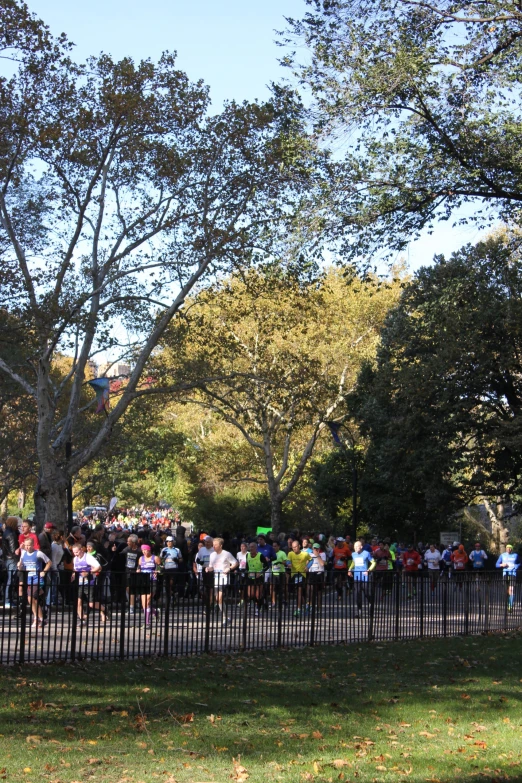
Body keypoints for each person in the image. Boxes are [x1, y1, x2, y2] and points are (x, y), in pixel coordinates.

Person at [18, 537, 51, 628]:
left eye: (29, 545)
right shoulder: (23, 554)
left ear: (33, 545)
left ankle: (39, 619)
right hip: (28, 579)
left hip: (37, 579)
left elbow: (49, 562)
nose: (28, 547)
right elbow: (22, 566)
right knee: (32, 600)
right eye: (26, 545)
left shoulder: (38, 553)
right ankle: (39, 618)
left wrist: (44, 571)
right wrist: (19, 566)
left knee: (31, 598)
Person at [72, 543, 106, 625]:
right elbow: (76, 569)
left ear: (81, 550)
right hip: (80, 583)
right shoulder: (75, 559)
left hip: (90, 582)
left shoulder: (88, 557)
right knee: (78, 602)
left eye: (77, 552)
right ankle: (82, 620)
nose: (75, 554)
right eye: (74, 552)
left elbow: (98, 567)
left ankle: (104, 609)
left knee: (91, 604)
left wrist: (89, 572)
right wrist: (73, 575)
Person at [207, 537, 237, 626]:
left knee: (220, 598)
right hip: (216, 578)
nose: (214, 546)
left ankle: (225, 618)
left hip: (223, 578)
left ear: (221, 545)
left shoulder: (226, 554)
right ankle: (226, 617)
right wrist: (208, 569)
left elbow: (235, 563)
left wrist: (229, 568)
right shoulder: (212, 555)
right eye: (213, 545)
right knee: (217, 600)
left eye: (215, 545)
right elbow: (211, 567)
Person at [348, 541, 375, 618]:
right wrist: (349, 569)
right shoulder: (353, 554)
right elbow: (354, 562)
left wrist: (368, 570)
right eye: (354, 547)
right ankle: (359, 611)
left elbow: (373, 562)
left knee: (366, 593)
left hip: (365, 577)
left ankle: (370, 603)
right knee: (357, 594)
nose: (355, 548)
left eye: (357, 547)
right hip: (356, 576)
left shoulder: (366, 553)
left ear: (361, 547)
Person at [137, 544, 160, 627]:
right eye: (142, 550)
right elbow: (139, 568)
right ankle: (155, 612)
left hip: (152, 581)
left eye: (145, 550)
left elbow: (160, 567)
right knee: (144, 604)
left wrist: (157, 571)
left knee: (148, 600)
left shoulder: (155, 558)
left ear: (149, 550)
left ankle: (147, 622)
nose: (144, 552)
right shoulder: (141, 559)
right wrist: (138, 571)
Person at [287, 539, 311, 617]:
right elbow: (288, 561)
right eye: (293, 547)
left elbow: (311, 560)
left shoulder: (305, 554)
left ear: (299, 546)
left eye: (295, 547)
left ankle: (298, 609)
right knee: (300, 593)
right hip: (293, 575)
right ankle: (306, 605)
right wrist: (289, 564)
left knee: (299, 591)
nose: (294, 549)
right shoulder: (290, 554)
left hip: (301, 575)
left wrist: (307, 567)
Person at [121, 534, 143, 615]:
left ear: (133, 543)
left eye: (129, 541)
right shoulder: (127, 549)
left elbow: (141, 560)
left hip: (135, 571)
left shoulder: (139, 551)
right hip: (127, 571)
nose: (127, 543)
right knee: (128, 589)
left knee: (132, 590)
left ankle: (131, 608)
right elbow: (121, 554)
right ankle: (136, 599)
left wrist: (139, 567)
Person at [246, 541, 269, 616]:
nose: (251, 548)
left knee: (258, 595)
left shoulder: (260, 555)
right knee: (250, 595)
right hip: (250, 576)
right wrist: (246, 572)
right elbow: (247, 566)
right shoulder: (247, 555)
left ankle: (257, 608)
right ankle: (263, 602)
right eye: (250, 547)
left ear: (256, 548)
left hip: (259, 577)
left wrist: (261, 572)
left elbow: (266, 566)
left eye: (252, 547)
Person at [496, 544, 520, 611]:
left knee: (511, 589)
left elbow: (520, 563)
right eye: (507, 548)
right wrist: (502, 565)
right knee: (507, 590)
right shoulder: (502, 555)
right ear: (506, 549)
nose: (509, 549)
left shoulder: (516, 555)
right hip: (505, 573)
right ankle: (508, 601)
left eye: (510, 548)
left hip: (513, 573)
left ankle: (510, 605)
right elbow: (496, 565)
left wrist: (516, 566)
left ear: (512, 549)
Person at [2, 517, 19, 608]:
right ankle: (8, 600)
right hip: (12, 559)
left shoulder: (6, 532)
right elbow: (13, 550)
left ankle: (8, 600)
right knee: (11, 580)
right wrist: (17, 560)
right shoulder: (11, 534)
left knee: (9, 580)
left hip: (7, 558)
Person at [161, 536, 183, 602]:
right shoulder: (164, 550)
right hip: (166, 568)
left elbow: (181, 559)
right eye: (167, 541)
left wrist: (177, 560)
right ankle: (169, 596)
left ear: (173, 542)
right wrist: (163, 556)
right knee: (167, 584)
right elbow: (160, 559)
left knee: (172, 583)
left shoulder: (177, 550)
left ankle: (172, 595)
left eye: (170, 541)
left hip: (174, 568)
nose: (169, 543)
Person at [306, 542, 326, 612]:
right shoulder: (310, 554)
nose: (315, 550)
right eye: (314, 549)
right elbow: (307, 563)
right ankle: (310, 604)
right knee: (310, 589)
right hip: (312, 573)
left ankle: (319, 606)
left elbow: (322, 563)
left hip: (319, 573)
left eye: (317, 549)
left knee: (319, 591)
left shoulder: (322, 554)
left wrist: (317, 556)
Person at [332, 536, 352, 601]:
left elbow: (350, 557)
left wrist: (345, 558)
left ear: (342, 542)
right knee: (337, 582)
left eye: (340, 542)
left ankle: (347, 588)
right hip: (336, 567)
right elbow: (333, 556)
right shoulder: (335, 549)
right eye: (338, 542)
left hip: (343, 567)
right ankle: (339, 594)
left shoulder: (346, 549)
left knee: (342, 581)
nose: (339, 543)